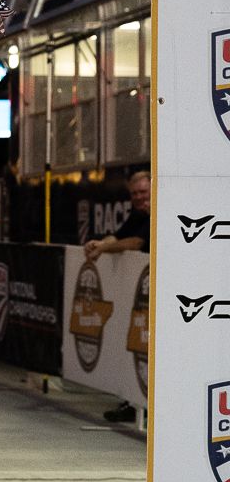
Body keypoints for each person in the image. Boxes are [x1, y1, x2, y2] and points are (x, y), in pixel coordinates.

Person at [84, 170, 150, 422]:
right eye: (134, 194)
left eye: (143, 192)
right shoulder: (139, 213)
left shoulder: (162, 208)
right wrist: (101, 243)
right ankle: (133, 403)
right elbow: (120, 235)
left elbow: (135, 243)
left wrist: (104, 247)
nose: (139, 198)